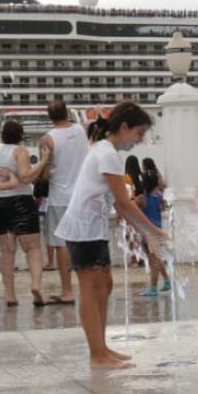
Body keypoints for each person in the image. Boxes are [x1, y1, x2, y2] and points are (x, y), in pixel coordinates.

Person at [54, 101, 165, 369]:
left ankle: (101, 348)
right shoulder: (108, 155)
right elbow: (124, 204)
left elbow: (119, 205)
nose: (138, 141)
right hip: (83, 228)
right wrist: (153, 231)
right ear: (124, 127)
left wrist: (149, 232)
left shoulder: (105, 151)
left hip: (92, 227)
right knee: (91, 290)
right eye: (138, 134)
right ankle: (97, 354)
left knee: (104, 285)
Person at [0, 119, 50, 307]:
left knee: (6, 251)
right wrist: (43, 162)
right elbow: (25, 176)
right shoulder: (20, 151)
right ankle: (36, 285)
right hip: (20, 201)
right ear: (20, 135)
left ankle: (9, 295)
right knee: (32, 248)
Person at [39, 99, 89, 303]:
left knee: (62, 244)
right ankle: (87, 289)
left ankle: (67, 291)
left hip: (60, 197)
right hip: (83, 196)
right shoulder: (83, 129)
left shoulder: (47, 139)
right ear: (68, 112)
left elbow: (43, 174)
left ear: (49, 117)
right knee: (84, 242)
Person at [136, 161, 169, 297]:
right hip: (157, 230)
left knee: (153, 261)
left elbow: (131, 209)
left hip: (148, 233)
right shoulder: (159, 197)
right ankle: (167, 281)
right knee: (156, 259)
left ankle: (153, 288)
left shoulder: (141, 199)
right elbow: (164, 207)